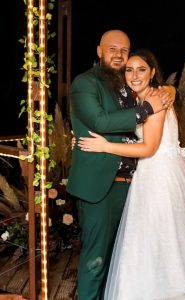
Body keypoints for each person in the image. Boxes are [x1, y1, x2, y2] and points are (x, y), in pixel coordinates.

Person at [78, 49, 185, 300]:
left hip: (159, 177)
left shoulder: (157, 101)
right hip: (149, 176)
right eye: (129, 69)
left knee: (162, 234)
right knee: (150, 237)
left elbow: (148, 148)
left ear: (152, 73)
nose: (134, 75)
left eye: (141, 69)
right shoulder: (141, 101)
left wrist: (104, 146)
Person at [67, 30, 175, 300]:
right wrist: (146, 109)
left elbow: (156, 88)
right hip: (101, 188)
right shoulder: (85, 83)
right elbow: (101, 122)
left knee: (123, 263)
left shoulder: (128, 84)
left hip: (135, 188)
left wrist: (170, 90)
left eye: (124, 50)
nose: (118, 54)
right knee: (97, 261)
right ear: (99, 51)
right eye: (112, 48)